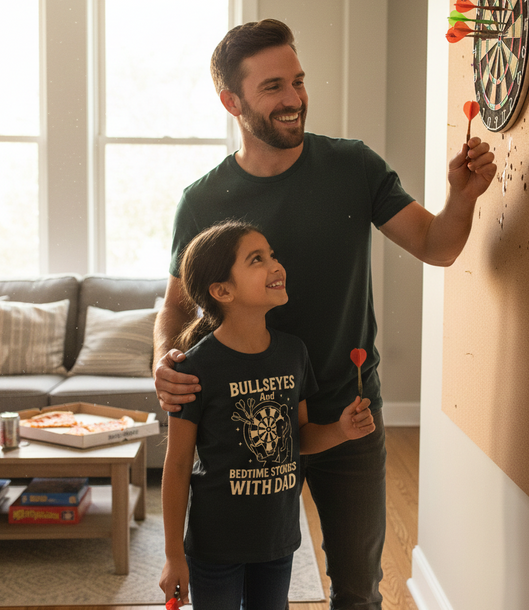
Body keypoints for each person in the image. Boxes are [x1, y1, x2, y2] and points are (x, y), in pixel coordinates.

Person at [154, 19, 497, 609]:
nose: (293, 99)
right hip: (243, 432)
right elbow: (175, 310)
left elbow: (437, 246)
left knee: (359, 589)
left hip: (347, 415)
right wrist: (163, 358)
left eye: (298, 81)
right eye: (272, 87)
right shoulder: (203, 200)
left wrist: (462, 197)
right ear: (230, 101)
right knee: (247, 583)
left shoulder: (353, 167)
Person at [158, 219, 375, 610]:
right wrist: (174, 555)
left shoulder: (294, 353)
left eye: (272, 255)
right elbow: (176, 466)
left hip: (277, 539)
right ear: (222, 290)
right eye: (257, 259)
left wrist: (342, 430)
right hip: (215, 545)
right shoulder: (194, 368)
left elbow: (300, 437)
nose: (276, 265)